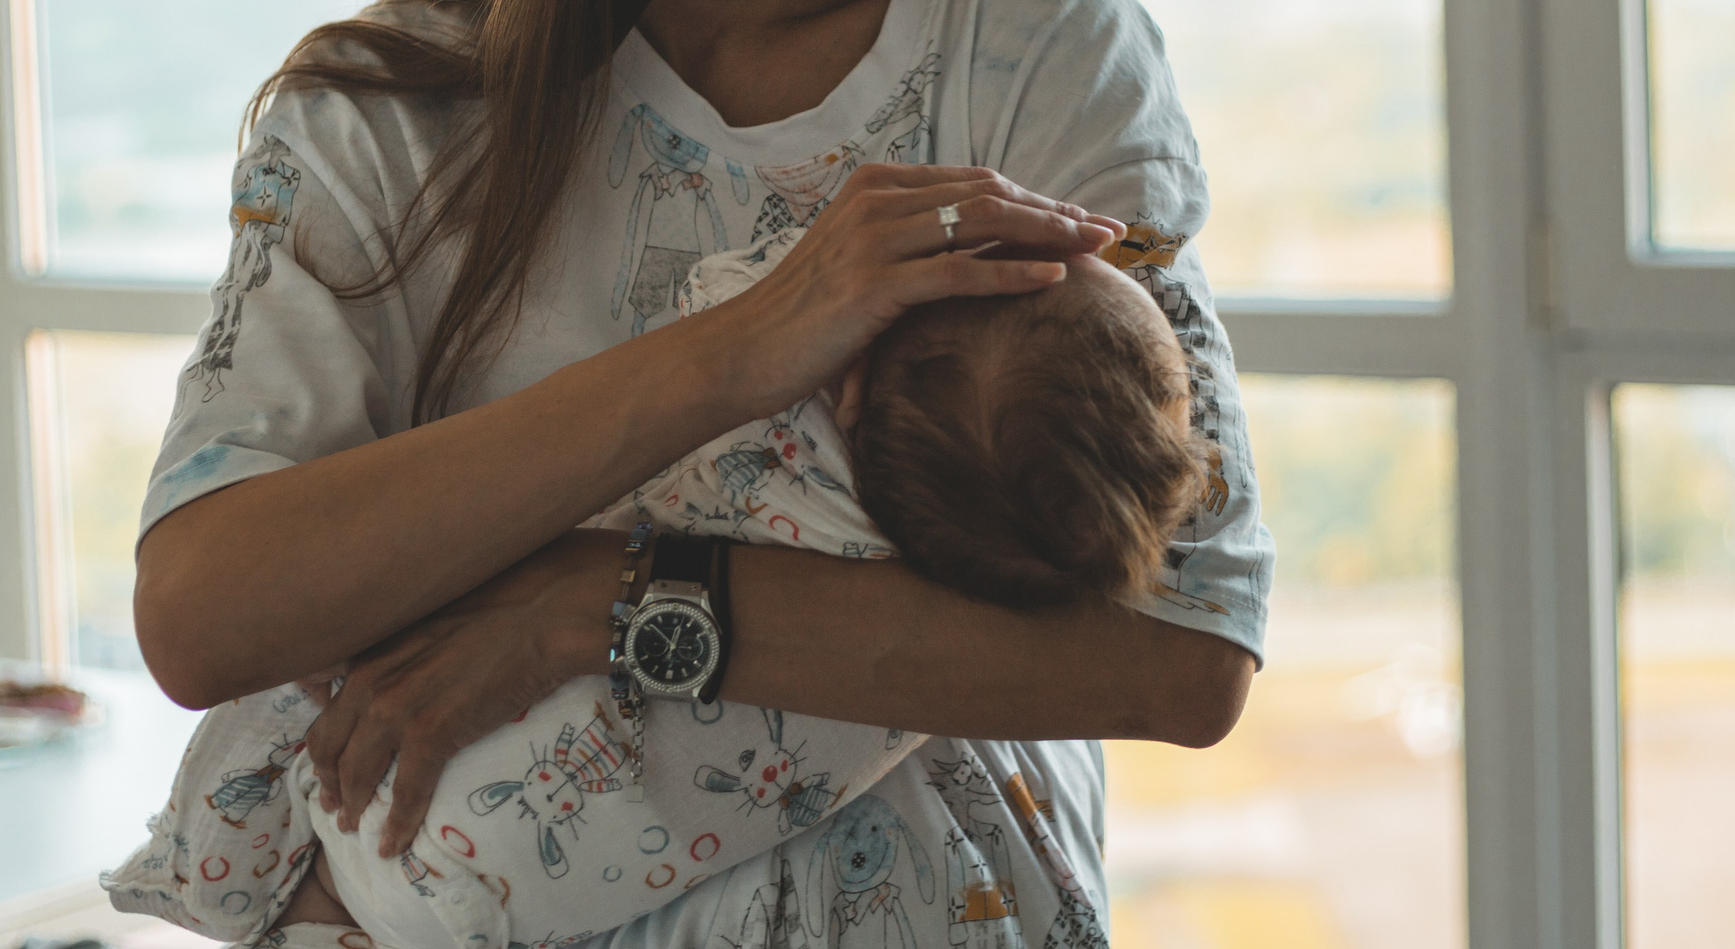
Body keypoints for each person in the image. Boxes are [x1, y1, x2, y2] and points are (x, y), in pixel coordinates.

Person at [130, 0, 1274, 949]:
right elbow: (204, 613)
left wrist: (601, 599)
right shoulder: (384, 113)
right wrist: (738, 349)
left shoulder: (1034, 47)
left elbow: (1185, 645)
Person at [112, 230, 1204, 945]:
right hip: (514, 887)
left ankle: (239, 873)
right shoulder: (953, 589)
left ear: (856, 375)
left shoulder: (773, 431)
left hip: (409, 798)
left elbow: (734, 295)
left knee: (340, 673)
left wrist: (862, 266)